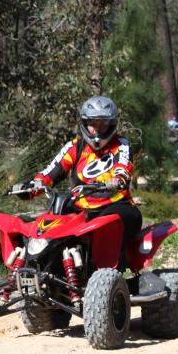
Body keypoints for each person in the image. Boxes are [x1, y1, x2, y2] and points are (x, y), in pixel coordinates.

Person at [24, 95, 141, 269]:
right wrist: (33, 187)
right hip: (81, 208)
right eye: (93, 124)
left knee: (108, 223)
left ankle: (112, 273)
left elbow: (123, 166)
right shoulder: (75, 147)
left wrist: (118, 179)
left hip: (117, 204)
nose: (97, 130)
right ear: (85, 124)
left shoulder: (121, 144)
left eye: (103, 124)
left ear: (112, 124)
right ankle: (41, 269)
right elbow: (52, 171)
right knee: (47, 224)